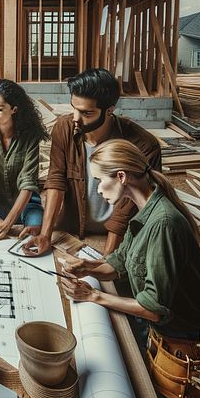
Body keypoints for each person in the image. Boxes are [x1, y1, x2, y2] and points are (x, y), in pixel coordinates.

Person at [61, 139, 200, 398]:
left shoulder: (163, 223)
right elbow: (118, 264)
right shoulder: (144, 209)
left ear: (120, 177)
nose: (97, 190)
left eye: (98, 181)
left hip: (183, 340)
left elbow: (154, 307)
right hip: (163, 331)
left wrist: (94, 296)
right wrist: (87, 267)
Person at [21, 67, 161, 257]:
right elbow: (56, 181)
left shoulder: (143, 145)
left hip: (122, 236)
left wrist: (107, 257)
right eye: (74, 109)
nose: (76, 119)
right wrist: (46, 234)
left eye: (87, 113)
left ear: (109, 111)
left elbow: (127, 209)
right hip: (76, 228)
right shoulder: (64, 128)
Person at [0, 79, 48, 240]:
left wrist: (7, 224)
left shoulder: (30, 135)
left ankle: (19, 217)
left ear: (14, 109)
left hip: (26, 201)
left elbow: (28, 182)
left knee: (37, 224)